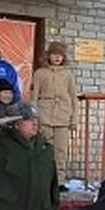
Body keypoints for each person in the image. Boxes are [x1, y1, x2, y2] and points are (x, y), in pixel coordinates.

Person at [30, 41, 80, 182]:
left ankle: (60, 180)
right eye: (54, 55)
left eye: (60, 55)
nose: (57, 58)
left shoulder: (67, 74)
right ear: (48, 56)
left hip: (63, 116)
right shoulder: (40, 73)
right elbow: (34, 96)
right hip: (44, 116)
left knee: (61, 151)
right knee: (44, 149)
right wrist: (34, 117)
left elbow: (73, 97)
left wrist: (74, 119)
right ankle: (44, 179)